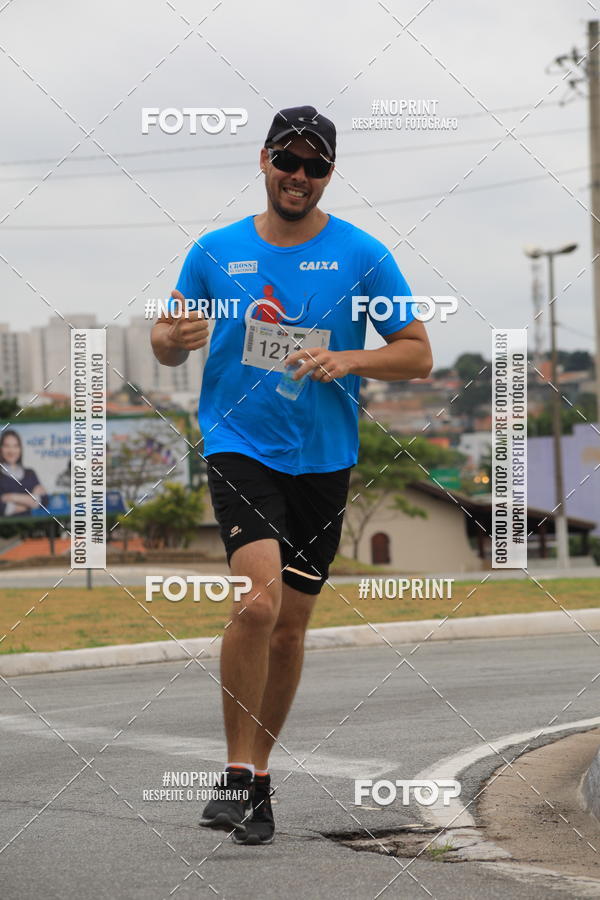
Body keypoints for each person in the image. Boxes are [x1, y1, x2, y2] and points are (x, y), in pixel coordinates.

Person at [151, 105, 433, 845]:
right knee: (257, 606)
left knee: (289, 630)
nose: (299, 175)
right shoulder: (215, 252)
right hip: (239, 443)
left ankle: (259, 778)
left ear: (329, 174)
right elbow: (167, 339)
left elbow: (417, 352)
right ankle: (233, 773)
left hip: (325, 458)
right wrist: (171, 338)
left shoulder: (363, 254)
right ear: (265, 161)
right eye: (288, 160)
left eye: (315, 165)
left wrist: (350, 357)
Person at [0, 429, 48, 517]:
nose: (11, 451)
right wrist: (31, 501)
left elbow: (44, 501)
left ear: (20, 449)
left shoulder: (30, 474)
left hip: (32, 525)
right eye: (6, 446)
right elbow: (2, 508)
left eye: (16, 446)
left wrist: (11, 497)